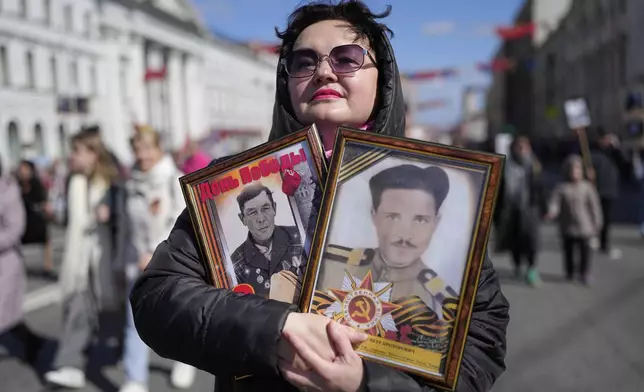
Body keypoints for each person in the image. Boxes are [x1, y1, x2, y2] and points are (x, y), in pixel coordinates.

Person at [131, 2, 509, 391]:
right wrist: (275, 328)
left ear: (384, 80)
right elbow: (158, 299)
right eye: (304, 62)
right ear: (287, 81)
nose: (324, 71)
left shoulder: (429, 181)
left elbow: (482, 340)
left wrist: (366, 384)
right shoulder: (229, 184)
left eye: (347, 58)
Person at [44, 128, 127, 389]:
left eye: (77, 151)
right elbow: (72, 221)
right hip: (83, 260)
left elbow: (124, 219)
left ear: (93, 153)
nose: (73, 156)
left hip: (108, 257)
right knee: (80, 307)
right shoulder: (75, 181)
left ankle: (124, 351)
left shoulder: (112, 181)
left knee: (116, 311)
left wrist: (109, 214)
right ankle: (70, 365)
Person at [317, 164, 457, 315]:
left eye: (420, 220)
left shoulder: (443, 305)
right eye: (393, 217)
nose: (405, 235)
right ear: (374, 215)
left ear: (435, 223)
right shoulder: (328, 265)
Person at [119, 126, 196, 392]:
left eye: (148, 148)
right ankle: (134, 378)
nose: (143, 155)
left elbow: (182, 224)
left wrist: (156, 251)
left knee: (175, 315)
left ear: (159, 148)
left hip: (169, 262)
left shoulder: (173, 179)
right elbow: (126, 228)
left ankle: (185, 360)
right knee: (134, 318)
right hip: (136, 263)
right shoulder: (130, 184)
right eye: (138, 149)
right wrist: (121, 261)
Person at [0, 156, 45, 366]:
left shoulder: (8, 191)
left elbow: (14, 229)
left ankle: (32, 343)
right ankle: (33, 341)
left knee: (3, 311)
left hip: (7, 263)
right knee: (8, 316)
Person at [231, 183, 305, 299]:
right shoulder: (235, 264)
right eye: (252, 212)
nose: (261, 219)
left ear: (274, 208)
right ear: (242, 219)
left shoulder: (300, 236)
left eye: (265, 209)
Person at [495, 136, 546, 287]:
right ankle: (517, 267)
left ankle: (532, 269)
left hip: (530, 208)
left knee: (532, 240)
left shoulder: (534, 165)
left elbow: (541, 188)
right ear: (514, 148)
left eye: (525, 147)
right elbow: (499, 188)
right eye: (519, 147)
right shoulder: (506, 165)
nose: (522, 150)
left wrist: (545, 207)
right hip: (510, 209)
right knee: (514, 241)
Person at [546, 155, 603, 285]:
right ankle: (570, 271)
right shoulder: (561, 188)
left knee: (585, 252)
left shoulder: (587, 187)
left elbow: (595, 206)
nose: (575, 173)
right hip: (568, 226)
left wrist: (597, 222)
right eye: (572, 170)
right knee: (568, 251)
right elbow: (555, 203)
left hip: (585, 226)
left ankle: (585, 273)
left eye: (577, 169)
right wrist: (551, 212)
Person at [588, 127, 629, 259]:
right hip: (594, 188)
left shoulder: (615, 153)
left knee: (606, 218)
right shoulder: (593, 151)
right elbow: (586, 163)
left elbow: (626, 163)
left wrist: (617, 147)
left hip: (609, 189)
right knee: (593, 215)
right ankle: (592, 237)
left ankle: (603, 243)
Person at [16, 160, 55, 277]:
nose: (22, 171)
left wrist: (48, 211)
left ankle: (48, 268)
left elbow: (43, 200)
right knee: (15, 242)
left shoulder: (36, 183)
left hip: (35, 218)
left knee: (46, 241)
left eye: (25, 168)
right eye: (21, 168)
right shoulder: (16, 184)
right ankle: (17, 268)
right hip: (22, 219)